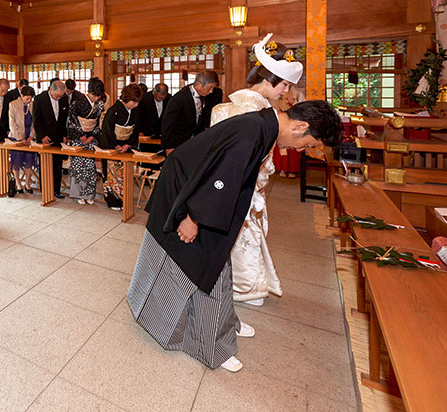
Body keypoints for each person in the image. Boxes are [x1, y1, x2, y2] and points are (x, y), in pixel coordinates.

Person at [127, 100, 341, 373]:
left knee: (218, 265)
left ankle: (224, 325)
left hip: (195, 192)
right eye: (308, 143)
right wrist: (192, 218)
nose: (302, 149)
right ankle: (210, 342)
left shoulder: (263, 125)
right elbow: (220, 179)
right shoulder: (254, 130)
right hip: (191, 197)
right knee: (206, 269)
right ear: (301, 126)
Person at [210, 34, 302, 307]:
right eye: (284, 84)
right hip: (241, 180)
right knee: (243, 234)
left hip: (246, 180)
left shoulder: (257, 107)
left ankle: (245, 285)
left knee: (246, 234)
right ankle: (243, 287)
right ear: (268, 80)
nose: (285, 91)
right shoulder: (250, 111)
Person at [100, 83, 143, 210]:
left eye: (137, 103)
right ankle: (113, 201)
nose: (136, 105)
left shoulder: (135, 111)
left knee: (124, 175)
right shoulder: (113, 111)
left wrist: (128, 144)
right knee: (112, 175)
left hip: (125, 147)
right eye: (134, 102)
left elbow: (135, 130)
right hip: (113, 146)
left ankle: (124, 200)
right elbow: (107, 130)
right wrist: (116, 145)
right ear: (126, 99)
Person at [160, 71, 222, 155]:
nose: (211, 91)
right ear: (199, 84)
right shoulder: (179, 98)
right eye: (210, 87)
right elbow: (167, 124)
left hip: (194, 142)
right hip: (178, 143)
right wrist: (168, 147)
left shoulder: (206, 97)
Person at [67, 77, 106, 206]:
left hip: (91, 139)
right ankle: (79, 194)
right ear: (89, 91)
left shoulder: (100, 104)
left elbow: (99, 123)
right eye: (94, 95)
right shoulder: (77, 102)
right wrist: (80, 136)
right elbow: (71, 121)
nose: (96, 98)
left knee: (90, 168)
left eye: (98, 96)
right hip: (78, 139)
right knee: (79, 167)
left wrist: (91, 137)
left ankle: (89, 194)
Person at [32, 80, 69, 199]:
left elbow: (64, 119)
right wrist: (42, 136)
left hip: (58, 136)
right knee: (45, 164)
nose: (59, 98)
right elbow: (36, 121)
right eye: (57, 95)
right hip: (45, 137)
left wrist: (65, 135)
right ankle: (45, 190)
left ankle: (56, 190)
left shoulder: (64, 99)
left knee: (57, 165)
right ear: (51, 90)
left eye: (61, 96)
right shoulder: (39, 99)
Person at [8, 85, 37, 194]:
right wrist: (19, 138)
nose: (29, 100)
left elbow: (35, 122)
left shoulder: (33, 105)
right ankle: (18, 183)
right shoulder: (13, 104)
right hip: (16, 138)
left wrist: (31, 136)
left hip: (29, 138)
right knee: (16, 161)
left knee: (29, 161)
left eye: (31, 98)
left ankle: (28, 183)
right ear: (21, 96)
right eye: (27, 98)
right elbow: (12, 123)